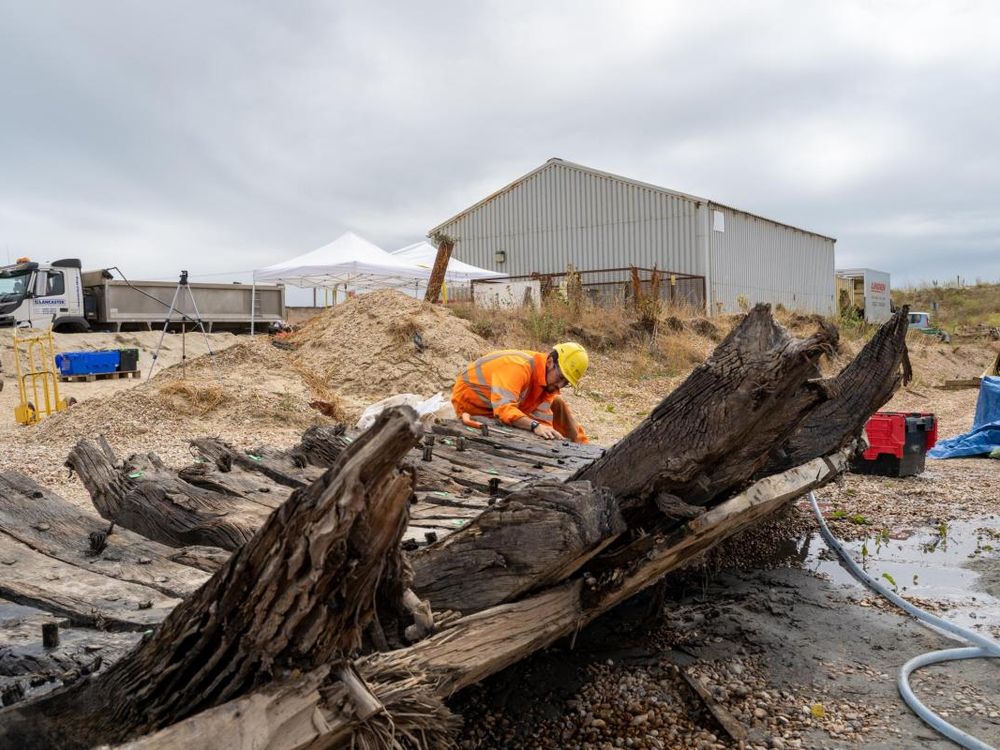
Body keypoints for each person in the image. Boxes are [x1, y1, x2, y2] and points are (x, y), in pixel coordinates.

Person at [451, 342, 590, 443]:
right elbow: (504, 409)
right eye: (560, 378)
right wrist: (534, 426)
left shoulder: (546, 382)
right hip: (473, 406)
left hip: (500, 406)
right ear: (550, 362)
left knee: (558, 403)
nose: (560, 386)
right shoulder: (519, 367)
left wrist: (550, 435)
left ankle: (584, 447)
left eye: (566, 383)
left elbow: (543, 419)